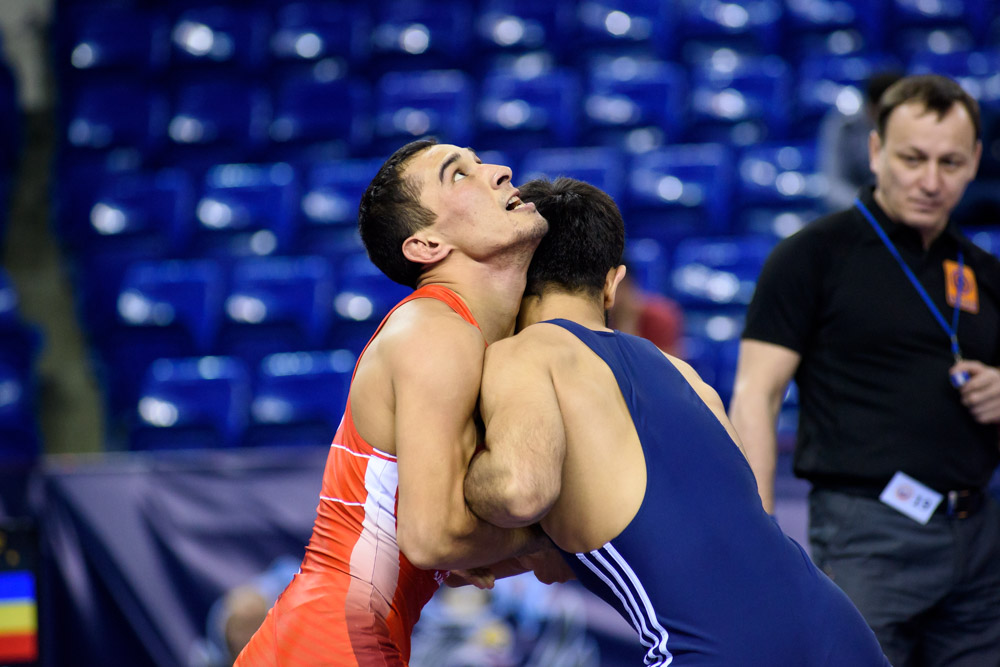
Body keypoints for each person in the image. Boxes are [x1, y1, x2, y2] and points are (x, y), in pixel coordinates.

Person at [463, 176, 890, 666]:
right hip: (837, 629)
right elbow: (667, 531)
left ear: (516, 275)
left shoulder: (523, 356)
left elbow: (520, 491)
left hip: (716, 650)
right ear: (613, 284)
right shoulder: (684, 373)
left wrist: (459, 484)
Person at [235, 138, 552, 666]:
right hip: (333, 638)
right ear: (426, 246)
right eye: (459, 174)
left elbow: (442, 549)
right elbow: (430, 540)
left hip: (335, 633)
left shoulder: (467, 337)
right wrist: (543, 537)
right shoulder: (435, 331)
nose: (500, 170)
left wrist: (487, 544)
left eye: (480, 163)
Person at [728, 73, 1000, 666]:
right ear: (876, 151)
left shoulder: (985, 272)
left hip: (981, 540)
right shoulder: (810, 257)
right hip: (868, 538)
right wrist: (760, 535)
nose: (931, 181)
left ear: (976, 161)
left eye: (950, 162)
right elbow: (756, 395)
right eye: (912, 158)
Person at [818, 70, 904, 211]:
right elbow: (834, 186)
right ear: (871, 107)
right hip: (858, 212)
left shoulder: (915, 129)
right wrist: (872, 207)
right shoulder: (844, 127)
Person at [607, 264, 684, 356]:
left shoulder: (660, 317)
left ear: (625, 284)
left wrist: (627, 324)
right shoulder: (600, 316)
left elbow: (667, 367)